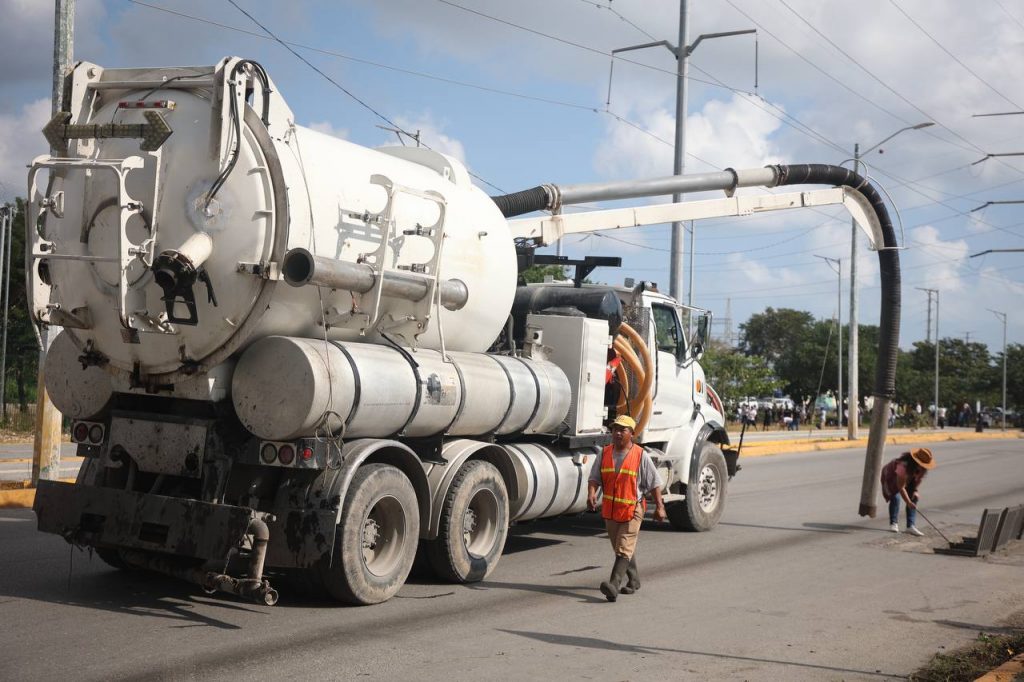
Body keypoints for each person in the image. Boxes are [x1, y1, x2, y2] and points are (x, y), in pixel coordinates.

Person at [587, 415, 666, 602]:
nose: (617, 433)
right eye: (615, 429)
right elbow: (594, 477)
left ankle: (613, 585)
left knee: (624, 547)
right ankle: (634, 580)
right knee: (621, 547)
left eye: (623, 430)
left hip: (632, 510)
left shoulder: (640, 455)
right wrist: (591, 493)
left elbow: (654, 483)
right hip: (611, 511)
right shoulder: (604, 453)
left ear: (632, 434)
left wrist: (660, 507)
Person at [880, 448, 935, 536]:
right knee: (895, 496)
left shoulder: (922, 469)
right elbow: (900, 487)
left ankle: (910, 526)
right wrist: (908, 502)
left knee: (914, 497)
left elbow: (917, 480)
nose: (923, 466)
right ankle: (893, 523)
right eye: (921, 464)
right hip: (891, 476)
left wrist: (914, 491)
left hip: (907, 478)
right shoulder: (903, 467)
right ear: (915, 461)